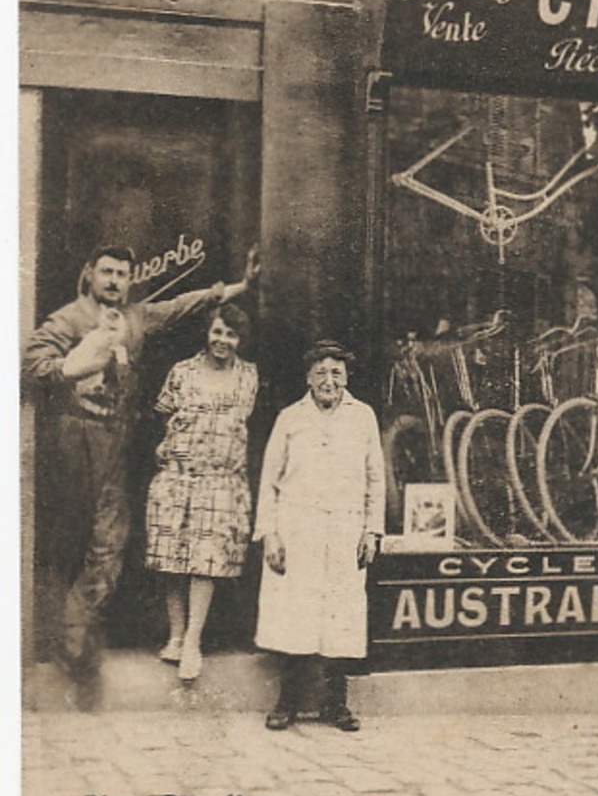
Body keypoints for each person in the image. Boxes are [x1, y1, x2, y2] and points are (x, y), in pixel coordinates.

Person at [23, 243, 259, 707]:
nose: (114, 281)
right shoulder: (68, 319)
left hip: (117, 440)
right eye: (107, 272)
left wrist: (240, 287)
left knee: (110, 539)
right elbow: (33, 363)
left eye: (122, 274)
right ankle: (66, 645)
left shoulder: (136, 317)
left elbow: (183, 304)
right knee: (70, 536)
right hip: (75, 438)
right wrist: (68, 367)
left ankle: (77, 642)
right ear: (90, 273)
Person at [255, 340, 385, 732]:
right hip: (298, 529)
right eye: (321, 373)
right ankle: (287, 702)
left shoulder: (362, 417)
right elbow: (268, 482)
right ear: (308, 378)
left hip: (345, 529)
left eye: (337, 372)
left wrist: (372, 531)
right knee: (294, 613)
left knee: (341, 616)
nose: (329, 381)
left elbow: (375, 478)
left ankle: (336, 705)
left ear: (346, 377)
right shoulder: (290, 418)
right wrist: (270, 534)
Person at [144, 304, 260, 683]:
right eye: (217, 332)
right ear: (207, 332)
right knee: (171, 561)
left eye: (231, 334)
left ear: (239, 339)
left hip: (221, 482)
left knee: (204, 561)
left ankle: (193, 641)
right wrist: (179, 460)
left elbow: (240, 429)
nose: (222, 340)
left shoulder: (248, 377)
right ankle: (176, 635)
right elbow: (165, 418)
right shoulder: (183, 372)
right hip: (179, 477)